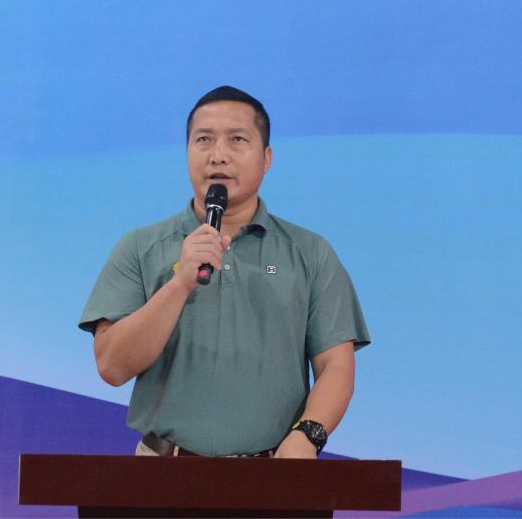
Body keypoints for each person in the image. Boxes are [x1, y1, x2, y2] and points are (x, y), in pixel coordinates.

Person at [78, 86, 370, 459]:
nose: (218, 155)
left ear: (266, 158)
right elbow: (112, 367)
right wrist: (180, 284)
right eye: (204, 140)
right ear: (187, 152)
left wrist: (307, 436)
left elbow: (335, 365)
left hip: (275, 470)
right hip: (161, 471)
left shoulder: (310, 253)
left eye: (237, 140)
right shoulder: (140, 247)